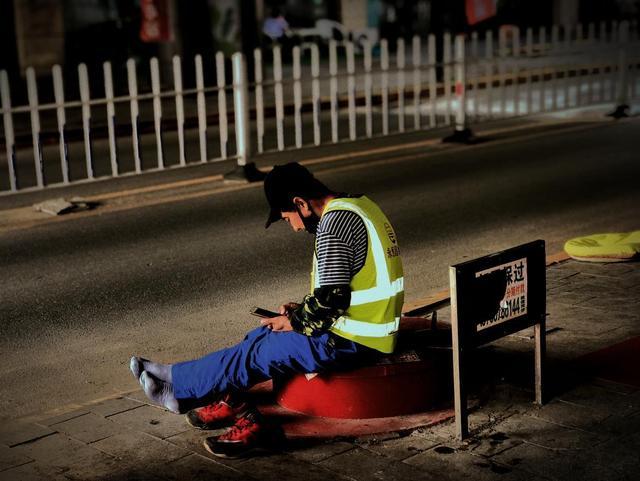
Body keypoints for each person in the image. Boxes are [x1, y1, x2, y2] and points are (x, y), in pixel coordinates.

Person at [130, 162, 404, 458]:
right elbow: (347, 289)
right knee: (259, 336)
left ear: (301, 203)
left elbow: (329, 303)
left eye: (288, 218)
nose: (295, 227)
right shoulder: (358, 206)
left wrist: (294, 321)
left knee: (259, 352)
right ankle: (182, 382)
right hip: (361, 331)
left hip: (351, 341)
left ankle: (177, 389)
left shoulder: (334, 225)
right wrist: (298, 311)